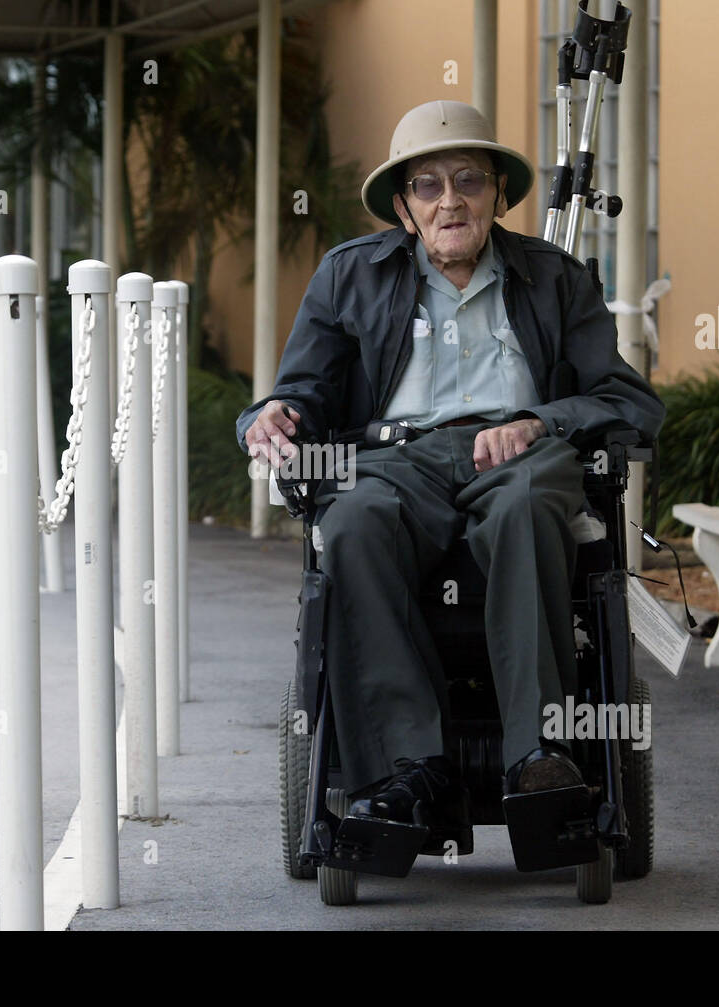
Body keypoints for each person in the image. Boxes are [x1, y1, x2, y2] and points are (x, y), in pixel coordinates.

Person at [236, 100, 663, 837]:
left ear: (498, 193)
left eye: (468, 178)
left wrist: (542, 421)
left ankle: (539, 755)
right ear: (405, 209)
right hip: (396, 459)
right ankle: (409, 771)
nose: (450, 199)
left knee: (529, 501)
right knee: (353, 517)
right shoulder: (350, 277)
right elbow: (302, 392)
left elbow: (629, 400)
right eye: (428, 186)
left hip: (521, 455)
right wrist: (265, 417)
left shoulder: (554, 279)